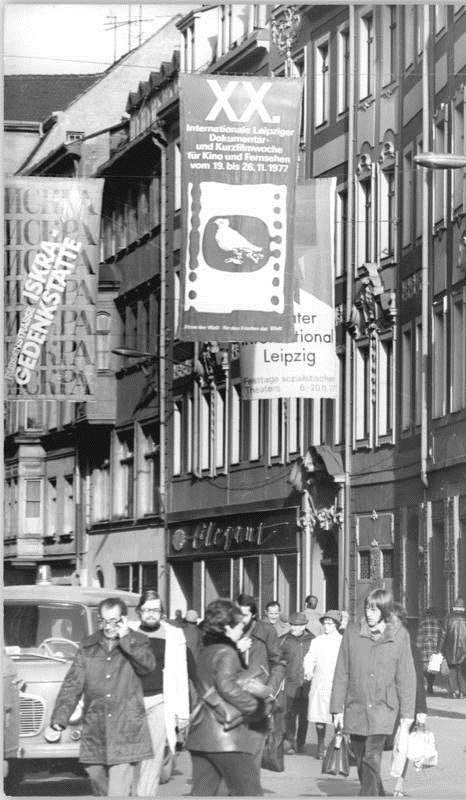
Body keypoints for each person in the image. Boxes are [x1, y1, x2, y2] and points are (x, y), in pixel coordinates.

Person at [50, 597, 155, 796]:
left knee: (117, 790)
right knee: (95, 777)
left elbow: (147, 667)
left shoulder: (139, 641)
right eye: (103, 621)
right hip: (95, 729)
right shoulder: (88, 646)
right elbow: (73, 684)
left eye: (113, 621)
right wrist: (59, 719)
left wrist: (126, 639)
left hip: (126, 729)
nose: (108, 627)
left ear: (124, 619)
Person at [330, 588, 416, 797]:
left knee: (371, 755)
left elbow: (406, 676)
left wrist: (407, 716)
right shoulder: (352, 632)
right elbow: (342, 671)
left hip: (383, 708)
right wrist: (336, 708)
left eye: (375, 609)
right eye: (368, 608)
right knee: (360, 756)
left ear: (385, 612)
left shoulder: (399, 635)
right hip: (356, 705)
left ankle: (367, 795)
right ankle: (376, 793)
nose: (369, 613)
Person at [185, 598, 264, 796]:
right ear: (227, 627)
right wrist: (254, 705)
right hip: (227, 739)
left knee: (203, 792)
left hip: (200, 735)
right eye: (239, 626)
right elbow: (227, 686)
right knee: (249, 791)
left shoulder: (206, 652)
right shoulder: (226, 652)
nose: (242, 630)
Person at [130, 590, 190, 796]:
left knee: (153, 758)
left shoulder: (173, 634)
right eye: (146, 610)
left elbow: (181, 674)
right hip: (131, 703)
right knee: (130, 758)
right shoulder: (128, 632)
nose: (150, 614)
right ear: (138, 612)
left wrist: (182, 714)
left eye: (155, 610)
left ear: (162, 612)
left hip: (160, 702)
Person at [235, 594, 285, 773]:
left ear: (254, 615)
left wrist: (270, 690)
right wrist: (235, 648)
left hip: (258, 699)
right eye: (236, 615)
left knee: (252, 753)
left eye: (245, 616)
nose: (240, 620)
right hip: (232, 699)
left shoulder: (266, 631)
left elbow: (278, 663)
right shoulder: (228, 630)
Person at [391, 602, 428, 799]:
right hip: (383, 703)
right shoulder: (380, 643)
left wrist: (421, 710)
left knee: (403, 744)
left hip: (405, 703)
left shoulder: (412, 648)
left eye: (395, 622)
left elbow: (417, 682)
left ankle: (399, 784)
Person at [304, 609, 343, 759]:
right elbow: (310, 658)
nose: (327, 627)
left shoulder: (341, 641)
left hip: (336, 683)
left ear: (336, 625)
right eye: (325, 623)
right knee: (319, 716)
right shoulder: (317, 641)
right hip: (320, 682)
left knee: (337, 716)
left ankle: (336, 747)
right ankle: (321, 747)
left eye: (330, 624)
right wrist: (308, 670)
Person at [279, 612, 314, 754]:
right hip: (290, 683)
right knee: (290, 715)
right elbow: (277, 660)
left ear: (304, 625)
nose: (294, 627)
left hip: (307, 684)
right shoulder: (283, 640)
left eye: (297, 625)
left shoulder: (313, 640)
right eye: (292, 624)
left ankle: (301, 743)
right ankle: (290, 742)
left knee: (305, 717)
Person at [436, 597, 466, 698]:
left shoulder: (448, 617)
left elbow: (443, 634)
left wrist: (439, 650)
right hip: (464, 650)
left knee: (451, 670)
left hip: (450, 649)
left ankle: (453, 692)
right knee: (462, 670)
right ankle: (462, 692)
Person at [416, 606, 442, 695]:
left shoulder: (422, 624)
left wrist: (418, 648)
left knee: (425, 667)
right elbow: (441, 637)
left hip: (425, 647)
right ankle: (430, 684)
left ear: (427, 614)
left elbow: (419, 637)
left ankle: (428, 682)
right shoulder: (439, 624)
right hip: (435, 648)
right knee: (433, 668)